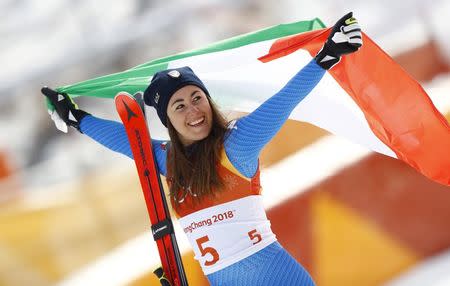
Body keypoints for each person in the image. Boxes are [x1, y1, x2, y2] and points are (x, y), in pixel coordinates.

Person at [42, 12, 362, 286]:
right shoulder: (168, 162)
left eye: (198, 98)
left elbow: (282, 101)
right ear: (167, 121)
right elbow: (127, 142)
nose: (194, 111)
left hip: (276, 277)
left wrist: (328, 56)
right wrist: (76, 118)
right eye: (179, 106)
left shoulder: (236, 144)